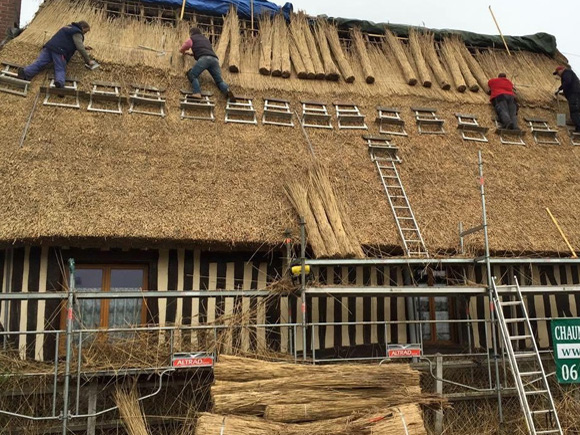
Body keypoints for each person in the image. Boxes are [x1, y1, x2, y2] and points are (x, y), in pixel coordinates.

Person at [17, 21, 96, 88]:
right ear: (82, 27)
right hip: (60, 51)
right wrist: (88, 61)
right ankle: (59, 83)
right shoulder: (77, 32)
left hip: (49, 47)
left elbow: (66, 40)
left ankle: (25, 72)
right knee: (60, 68)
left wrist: (84, 47)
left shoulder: (67, 27)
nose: (84, 34)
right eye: (85, 32)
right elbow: (80, 47)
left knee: (39, 62)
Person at [180, 27, 234, 100]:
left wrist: (182, 51)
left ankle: (197, 93)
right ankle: (227, 91)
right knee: (219, 81)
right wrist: (191, 54)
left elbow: (185, 46)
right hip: (214, 59)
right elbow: (203, 50)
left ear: (191, 33)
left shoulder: (192, 38)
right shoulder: (206, 40)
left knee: (192, 75)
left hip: (204, 59)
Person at [554, 66, 580, 132]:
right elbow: (570, 85)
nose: (558, 75)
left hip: (574, 95)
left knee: (574, 112)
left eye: (557, 73)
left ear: (561, 70)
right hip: (575, 94)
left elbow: (567, 82)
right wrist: (564, 92)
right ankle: (578, 128)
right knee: (577, 111)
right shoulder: (569, 74)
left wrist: (559, 89)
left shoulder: (567, 72)